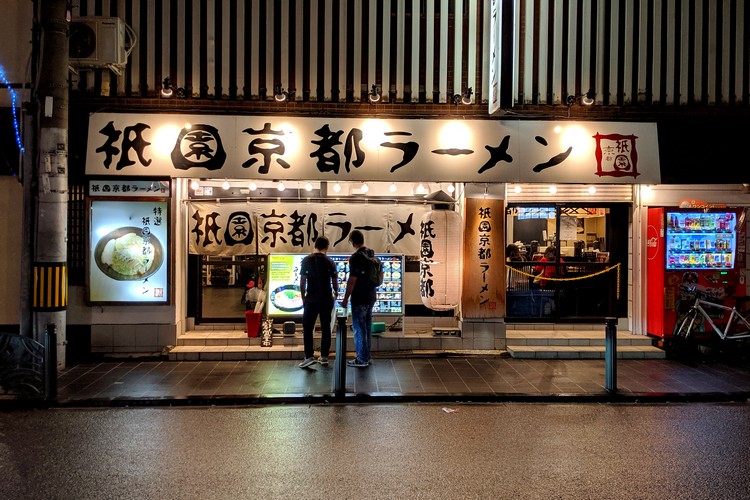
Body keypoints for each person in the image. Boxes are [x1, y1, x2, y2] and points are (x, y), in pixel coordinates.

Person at [298, 236, 339, 368]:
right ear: (326, 247)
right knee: (326, 327)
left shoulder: (307, 260)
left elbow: (303, 280)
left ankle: (309, 356)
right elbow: (334, 282)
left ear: (315, 245)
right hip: (326, 298)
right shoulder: (330, 261)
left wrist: (303, 296)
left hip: (311, 298)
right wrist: (336, 293)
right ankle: (324, 356)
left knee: (308, 327)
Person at [341, 230, 377, 368]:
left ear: (352, 242)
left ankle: (361, 359)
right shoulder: (370, 252)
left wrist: (345, 298)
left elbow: (352, 280)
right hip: (371, 296)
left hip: (360, 297)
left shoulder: (356, 257)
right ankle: (366, 356)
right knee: (367, 327)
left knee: (359, 328)